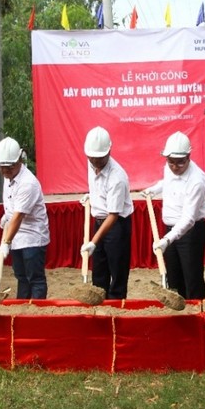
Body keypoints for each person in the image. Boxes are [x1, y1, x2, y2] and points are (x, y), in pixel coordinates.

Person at [142, 132, 205, 300]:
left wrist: (167, 240)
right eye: (171, 162)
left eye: (180, 163)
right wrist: (154, 189)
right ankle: (180, 312)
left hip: (191, 232)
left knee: (191, 277)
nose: (174, 167)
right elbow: (167, 181)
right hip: (170, 229)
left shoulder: (197, 181)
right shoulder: (169, 166)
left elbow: (188, 219)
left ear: (188, 157)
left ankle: (197, 312)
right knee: (174, 276)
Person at [80, 126, 134, 299]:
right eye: (92, 158)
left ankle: (117, 307)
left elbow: (113, 215)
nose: (95, 162)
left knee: (117, 270)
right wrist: (93, 197)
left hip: (116, 225)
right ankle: (99, 304)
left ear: (109, 151)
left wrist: (94, 241)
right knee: (99, 269)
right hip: (99, 220)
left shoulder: (117, 176)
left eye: (99, 158)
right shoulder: (91, 163)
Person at [0, 137, 50, 299]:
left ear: (19, 160)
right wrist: (7, 215)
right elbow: (13, 208)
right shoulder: (8, 177)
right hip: (16, 236)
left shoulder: (28, 183)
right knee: (21, 277)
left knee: (35, 279)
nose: (5, 171)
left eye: (9, 168)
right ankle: (22, 308)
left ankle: (37, 311)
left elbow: (19, 216)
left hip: (32, 237)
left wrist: (5, 242)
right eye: (2, 168)